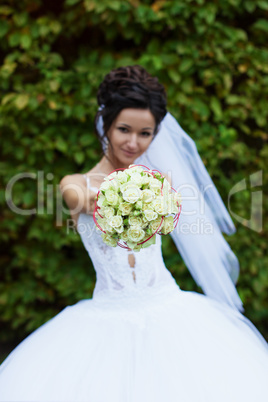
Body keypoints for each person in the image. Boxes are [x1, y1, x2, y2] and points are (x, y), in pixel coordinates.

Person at [0, 65, 267, 402]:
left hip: (170, 312)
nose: (133, 142)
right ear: (106, 125)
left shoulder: (157, 182)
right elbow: (85, 200)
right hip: (105, 318)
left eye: (145, 133)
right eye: (124, 129)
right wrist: (138, 192)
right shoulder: (77, 184)